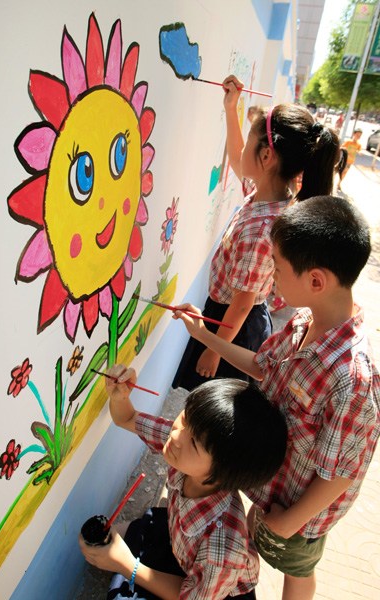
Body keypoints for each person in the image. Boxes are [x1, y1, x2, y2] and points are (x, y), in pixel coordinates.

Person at [174, 195, 380, 600]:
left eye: (278, 268)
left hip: (300, 519)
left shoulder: (353, 378)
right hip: (275, 493)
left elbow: (341, 473)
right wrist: (203, 335)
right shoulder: (304, 322)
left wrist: (288, 523)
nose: (271, 277)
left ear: (316, 280)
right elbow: (263, 366)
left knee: (296, 571)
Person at [172, 74, 339, 392]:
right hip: (233, 320)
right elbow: (238, 159)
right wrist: (231, 108)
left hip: (232, 325)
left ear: (266, 157)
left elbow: (243, 301)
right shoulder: (269, 196)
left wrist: (212, 348)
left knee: (214, 404)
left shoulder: (262, 229)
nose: (243, 148)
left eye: (251, 140)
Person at [79, 367, 288, 600]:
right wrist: (120, 397)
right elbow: (127, 418)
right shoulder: (185, 445)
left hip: (211, 591)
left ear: (222, 473)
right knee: (108, 544)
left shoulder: (222, 550)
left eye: (195, 443)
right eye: (185, 417)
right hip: (181, 542)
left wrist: (127, 565)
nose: (176, 436)